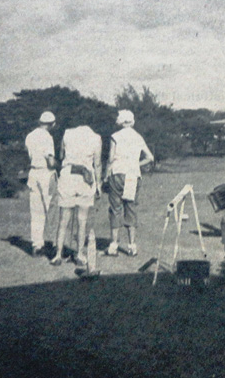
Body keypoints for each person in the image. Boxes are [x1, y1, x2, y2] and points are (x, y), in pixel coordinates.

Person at [50, 117, 102, 267]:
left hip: (68, 177)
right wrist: (98, 185)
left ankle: (58, 255)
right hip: (86, 179)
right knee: (82, 219)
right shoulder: (96, 138)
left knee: (63, 219)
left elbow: (61, 156)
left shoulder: (67, 133)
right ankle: (79, 254)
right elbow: (97, 164)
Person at [104, 110, 154, 257]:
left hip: (117, 173)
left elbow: (110, 158)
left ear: (120, 121)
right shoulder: (138, 137)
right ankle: (132, 246)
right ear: (132, 121)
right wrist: (136, 165)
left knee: (115, 208)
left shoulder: (115, 136)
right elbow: (150, 157)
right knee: (130, 208)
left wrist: (106, 175)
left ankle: (114, 245)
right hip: (133, 175)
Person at [25, 111, 58, 257]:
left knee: (36, 211)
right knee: (52, 209)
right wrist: (60, 165)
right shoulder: (47, 137)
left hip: (33, 173)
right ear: (52, 124)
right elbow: (50, 161)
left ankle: (37, 245)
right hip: (46, 173)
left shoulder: (30, 136)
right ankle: (56, 244)